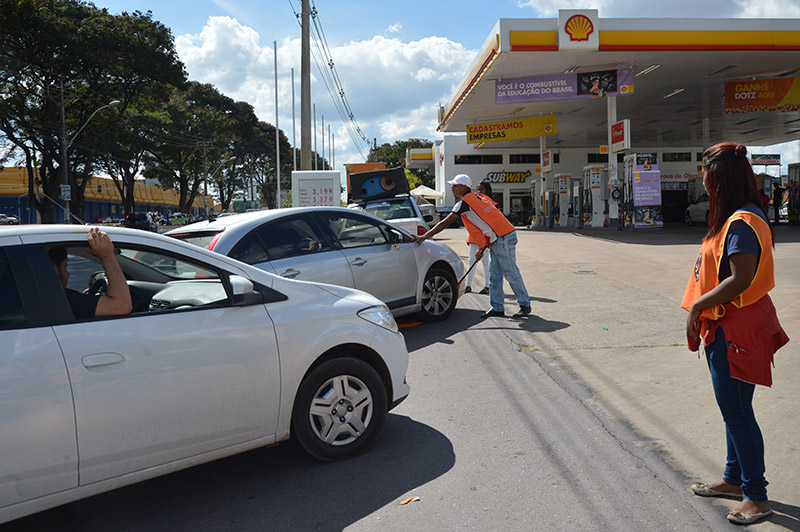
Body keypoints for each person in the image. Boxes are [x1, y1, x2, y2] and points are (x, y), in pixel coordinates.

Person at [681, 143, 789, 525]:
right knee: (733, 410)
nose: (705, 183)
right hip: (727, 324)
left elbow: (740, 279)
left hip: (737, 325)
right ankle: (733, 479)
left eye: (707, 175)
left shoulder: (742, 222)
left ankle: (756, 497)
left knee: (738, 412)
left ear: (719, 177)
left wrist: (697, 306)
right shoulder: (735, 219)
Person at [415, 174, 531, 319]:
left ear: (465, 187)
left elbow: (444, 223)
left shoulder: (464, 203)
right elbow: (487, 222)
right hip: (502, 235)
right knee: (494, 276)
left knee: (510, 272)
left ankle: (525, 305)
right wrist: (481, 248)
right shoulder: (479, 197)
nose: (452, 188)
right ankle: (497, 307)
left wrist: (424, 237)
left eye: (455, 185)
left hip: (503, 236)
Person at [48, 227, 133, 319]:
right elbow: (121, 306)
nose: (68, 274)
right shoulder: (60, 299)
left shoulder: (37, 296)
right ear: (54, 269)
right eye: (65, 267)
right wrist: (107, 256)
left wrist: (86, 299)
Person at [464, 181, 493, 295]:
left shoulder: (490, 204)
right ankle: (468, 286)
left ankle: (487, 287)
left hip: (485, 237)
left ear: (488, 191)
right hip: (474, 236)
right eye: (477, 189)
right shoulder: (474, 201)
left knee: (486, 263)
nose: (479, 192)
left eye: (481, 190)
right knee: (471, 261)